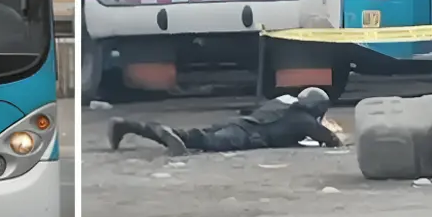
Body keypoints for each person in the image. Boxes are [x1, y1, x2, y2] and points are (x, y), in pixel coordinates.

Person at [107, 87, 342, 156]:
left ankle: (127, 125)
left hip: (238, 123)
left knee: (190, 135)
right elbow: (329, 139)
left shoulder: (284, 102)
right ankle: (165, 132)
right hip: (247, 135)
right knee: (203, 141)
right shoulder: (302, 120)